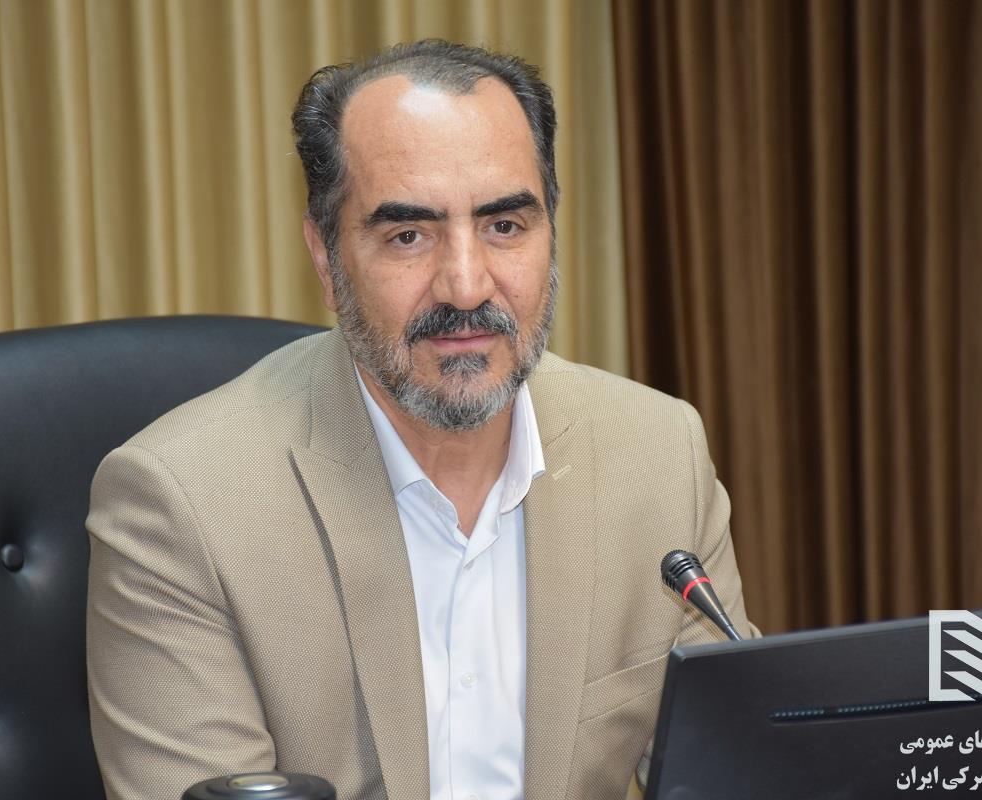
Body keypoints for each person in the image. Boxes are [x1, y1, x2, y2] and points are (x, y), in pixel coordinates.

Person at [86, 39, 754, 800]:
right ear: (326, 259)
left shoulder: (660, 452)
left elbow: (736, 770)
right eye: (409, 235)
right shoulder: (180, 508)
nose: (466, 286)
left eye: (505, 226)